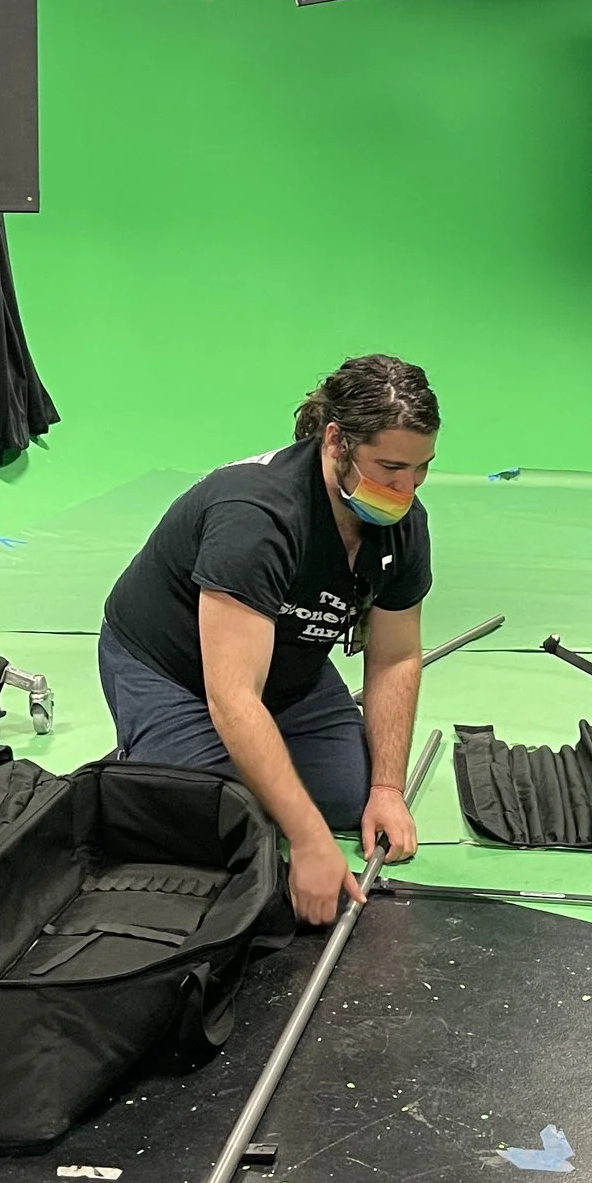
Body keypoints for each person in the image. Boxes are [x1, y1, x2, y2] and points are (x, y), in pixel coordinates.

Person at [99, 356, 439, 927]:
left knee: (344, 798)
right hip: (172, 668)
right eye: (390, 467)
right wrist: (307, 843)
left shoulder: (402, 525)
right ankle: (143, 756)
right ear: (337, 442)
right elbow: (232, 695)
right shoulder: (256, 516)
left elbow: (397, 655)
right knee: (213, 818)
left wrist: (387, 788)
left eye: (422, 468)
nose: (406, 489)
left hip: (289, 661)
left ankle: (254, 752)